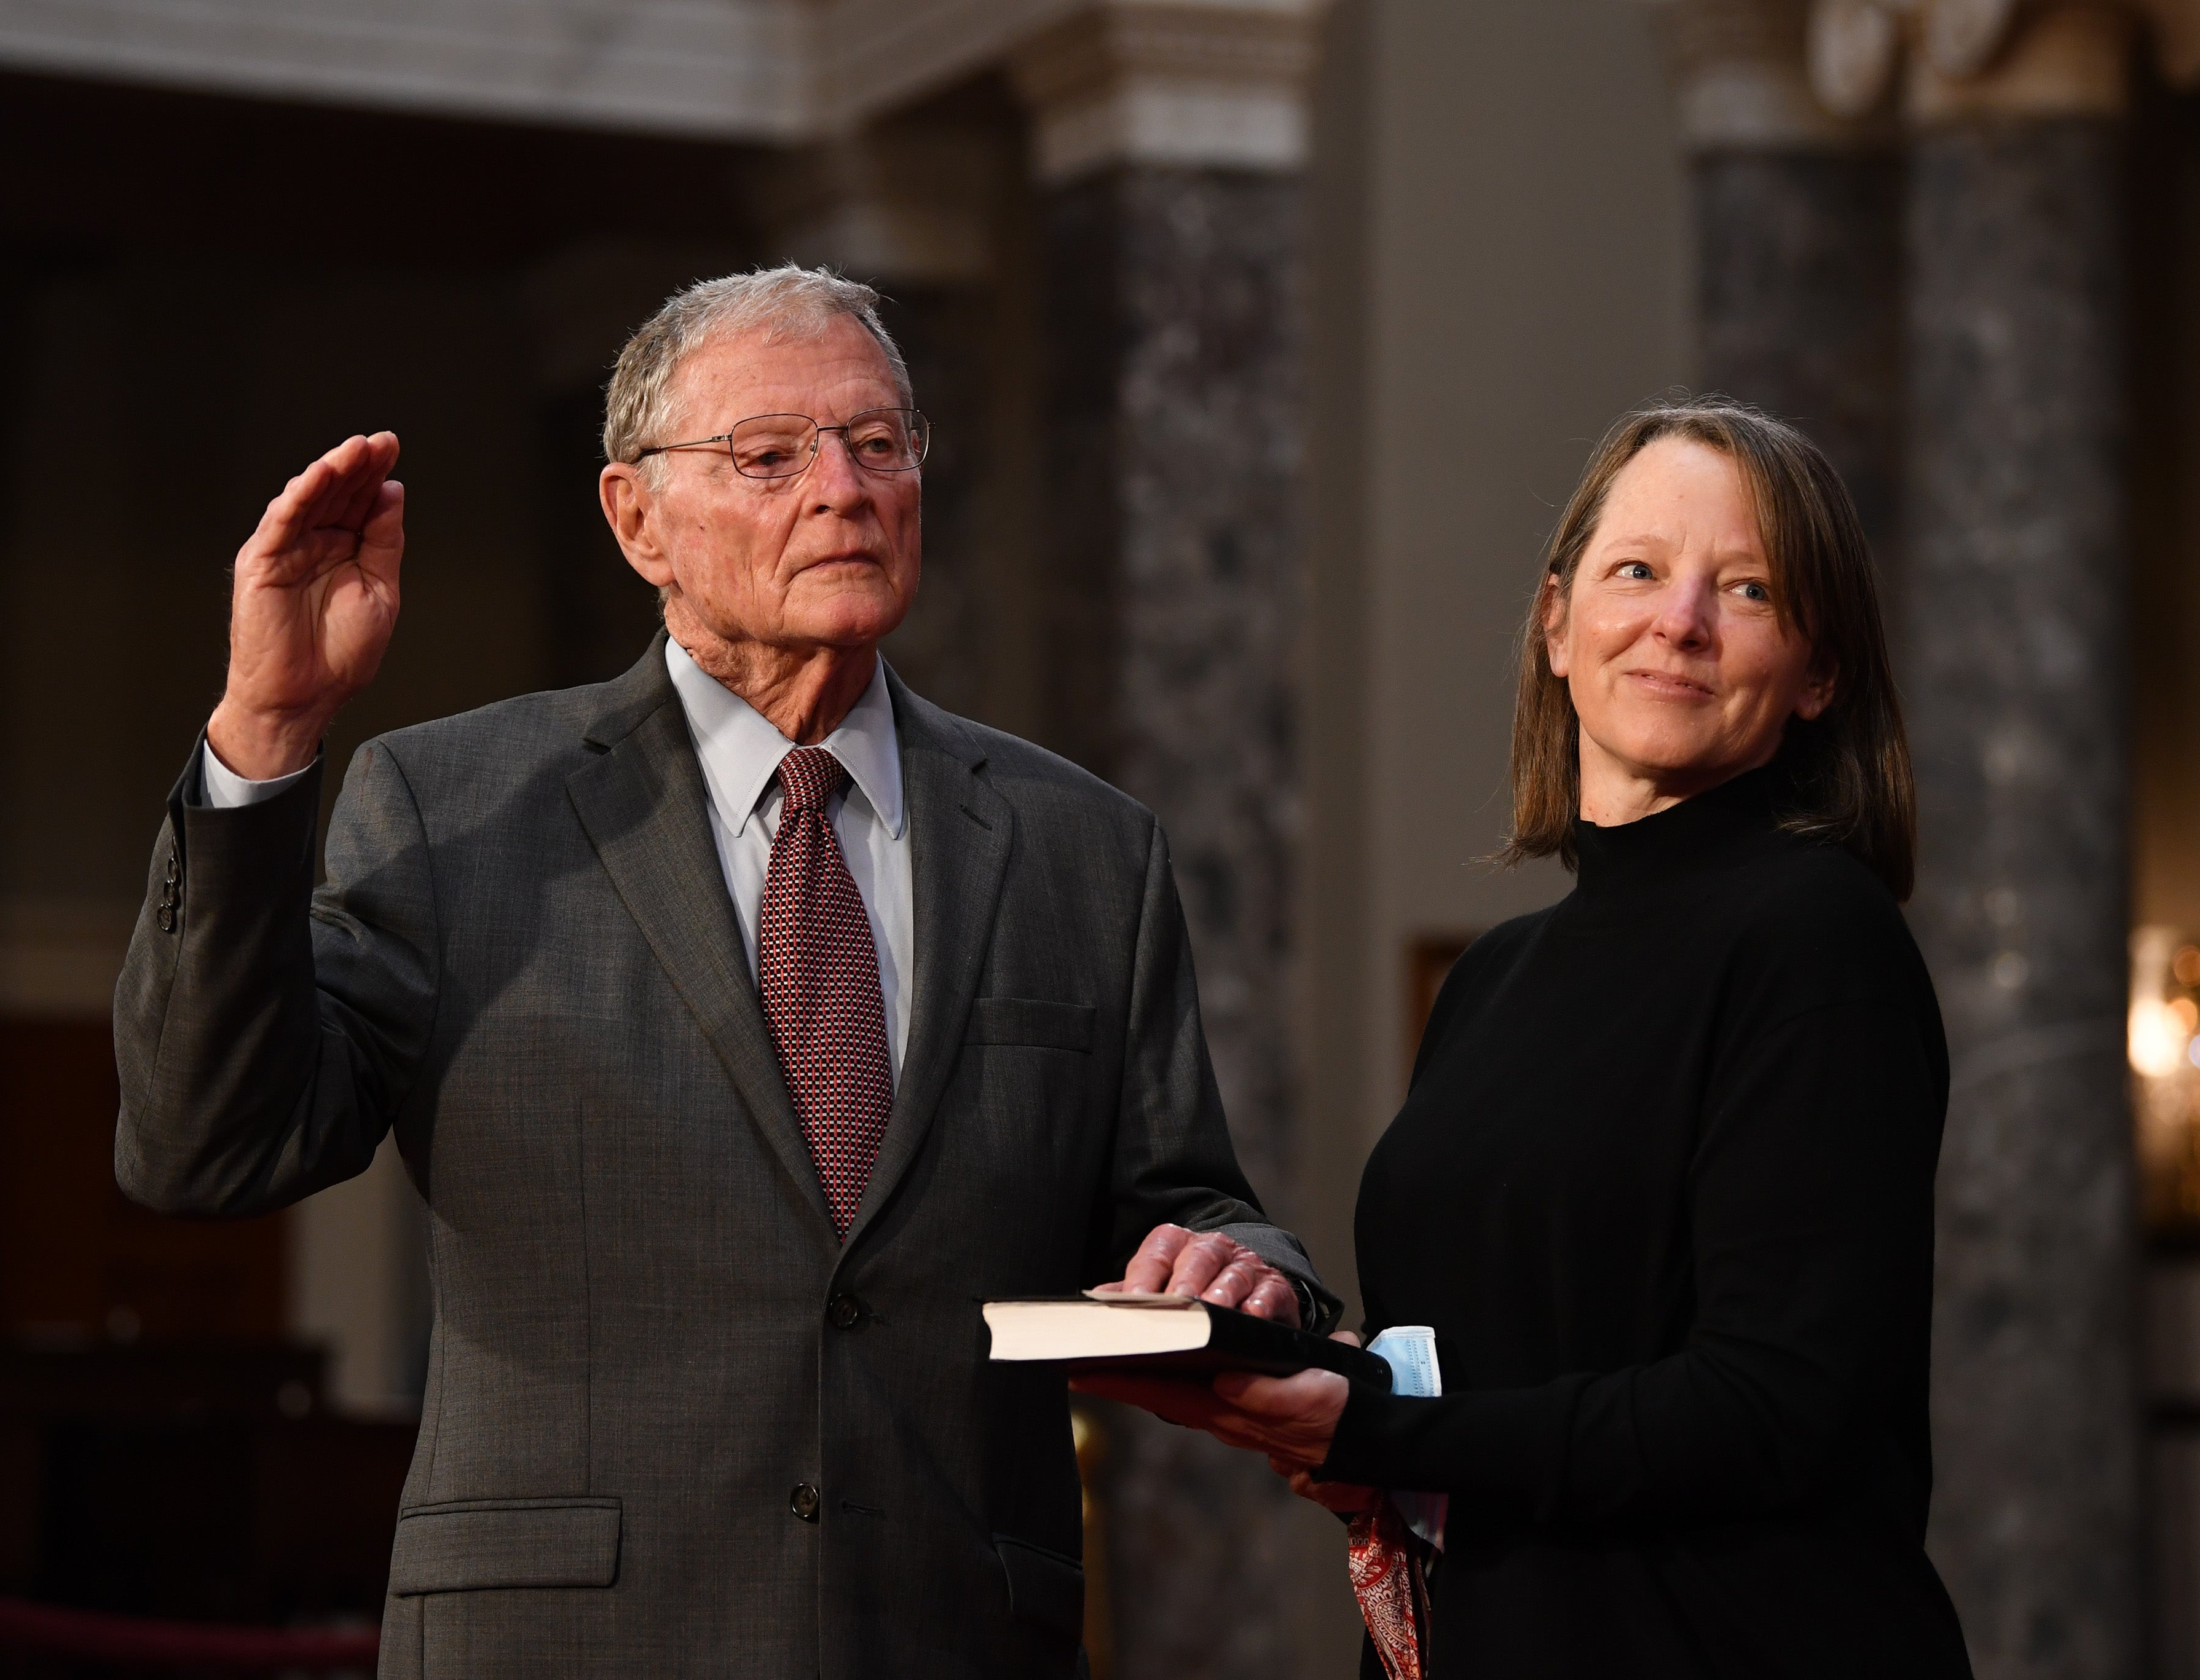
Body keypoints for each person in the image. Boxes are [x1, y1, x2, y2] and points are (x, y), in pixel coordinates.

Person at [111, 264, 1334, 1679]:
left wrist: (1245, 1272)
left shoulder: (1080, 846)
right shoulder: (455, 807)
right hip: (568, 1640)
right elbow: (204, 1144)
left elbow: (1184, 1209)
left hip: (946, 1631)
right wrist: (269, 725)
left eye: (879, 442)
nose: (843, 487)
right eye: (769, 454)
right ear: (638, 520)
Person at [1085, 396, 1976, 1677]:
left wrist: (1378, 1432)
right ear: (1556, 624)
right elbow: (1493, 1370)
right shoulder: (1494, 977)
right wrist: (1284, 1359)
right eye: (1636, 571)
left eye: (1745, 588)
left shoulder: (1815, 936)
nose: (1676, 620)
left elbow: (1773, 1409)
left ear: (1817, 674)